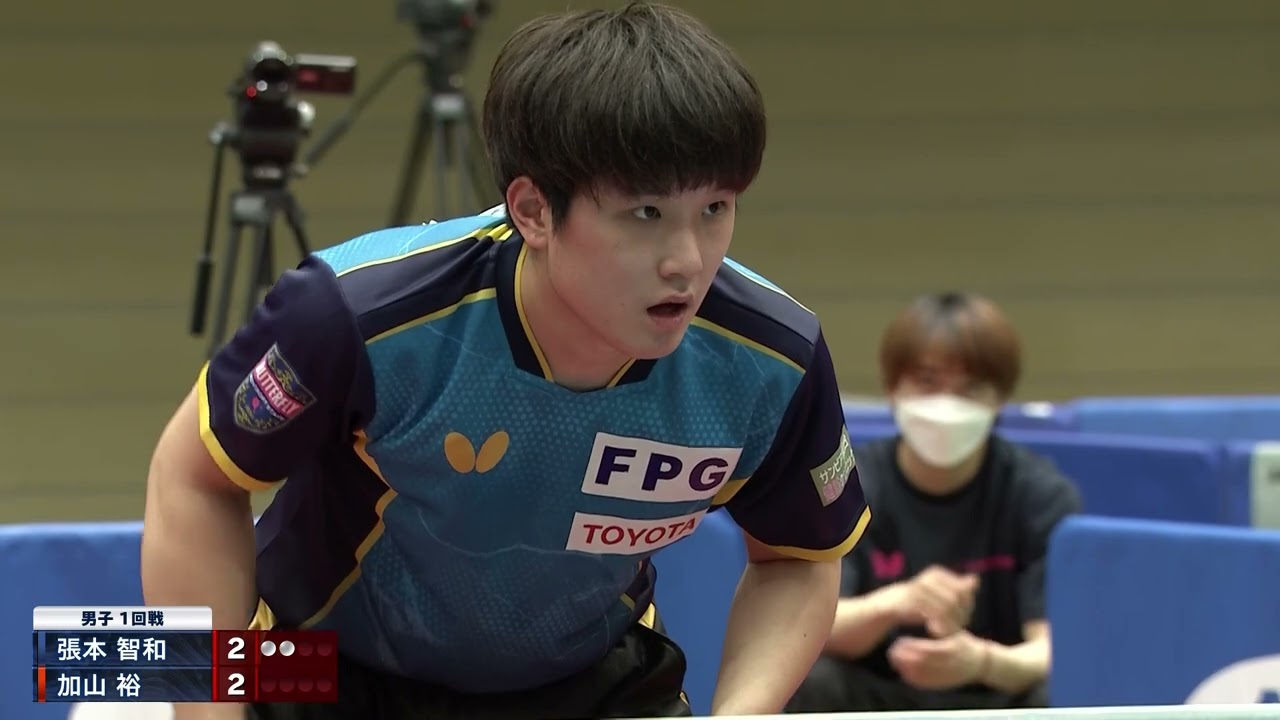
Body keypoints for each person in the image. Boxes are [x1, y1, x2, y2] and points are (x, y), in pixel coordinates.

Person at [141, 4, 870, 719]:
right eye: (646, 214)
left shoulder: (773, 361)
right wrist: (209, 710)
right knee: (111, 666)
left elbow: (798, 557)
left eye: (715, 209)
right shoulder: (355, 316)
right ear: (533, 211)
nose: (688, 261)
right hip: (325, 668)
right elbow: (194, 478)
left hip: (584, 682)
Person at [786, 292, 1080, 713]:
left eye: (970, 388)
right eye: (927, 382)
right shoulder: (845, 485)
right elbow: (807, 628)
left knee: (1053, 694)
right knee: (809, 678)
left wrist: (981, 662)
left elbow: (1052, 650)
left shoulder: (1040, 495)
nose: (947, 404)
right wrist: (897, 603)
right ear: (893, 388)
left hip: (995, 695)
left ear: (1000, 398)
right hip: (879, 695)